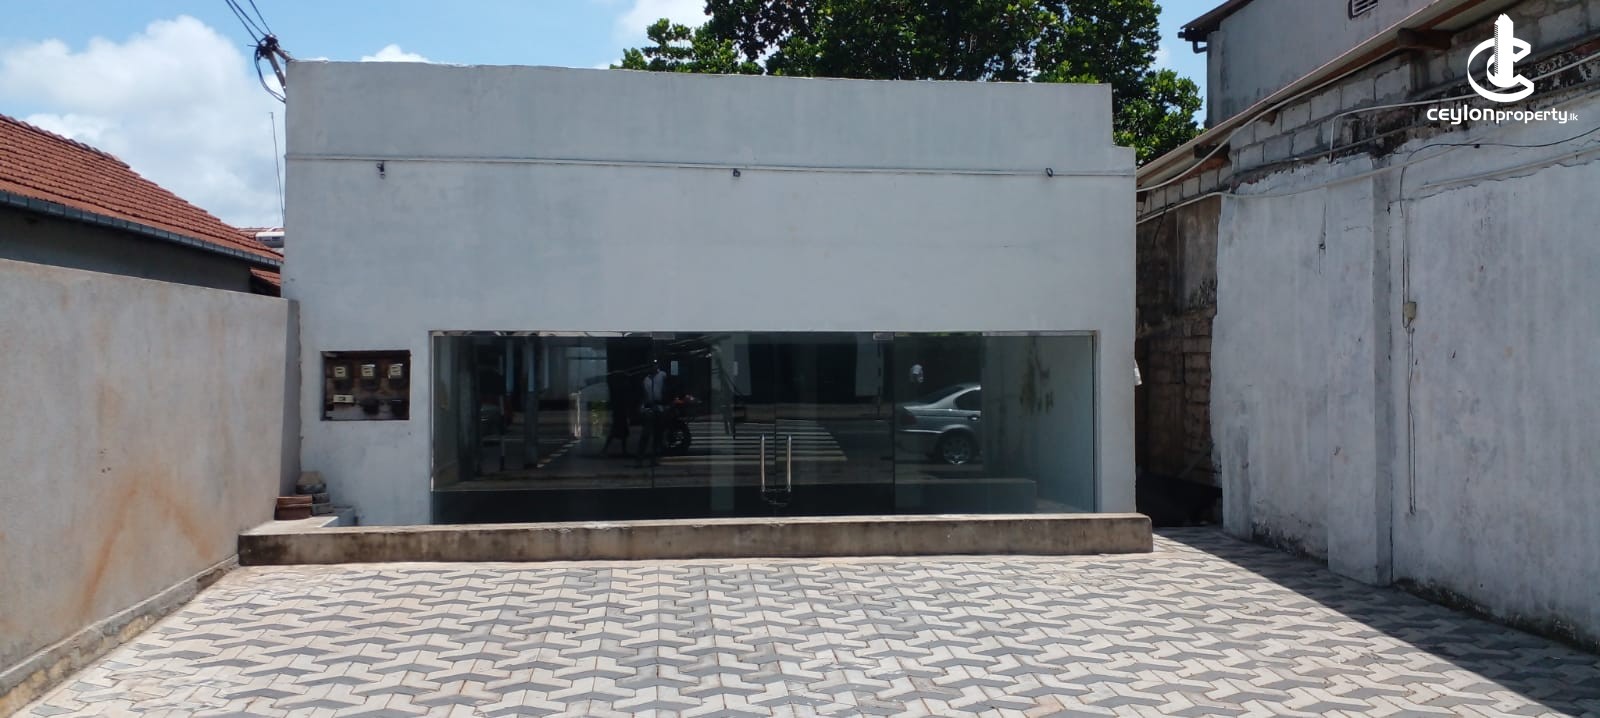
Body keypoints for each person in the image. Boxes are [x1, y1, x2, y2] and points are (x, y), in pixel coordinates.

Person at [636, 359, 669, 467]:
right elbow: (644, 395)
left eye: (655, 365)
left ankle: (654, 458)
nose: (653, 367)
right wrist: (643, 407)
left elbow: (667, 389)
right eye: (651, 365)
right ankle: (640, 459)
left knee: (658, 435)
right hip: (650, 408)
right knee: (645, 434)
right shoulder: (646, 380)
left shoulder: (662, 375)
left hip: (660, 407)